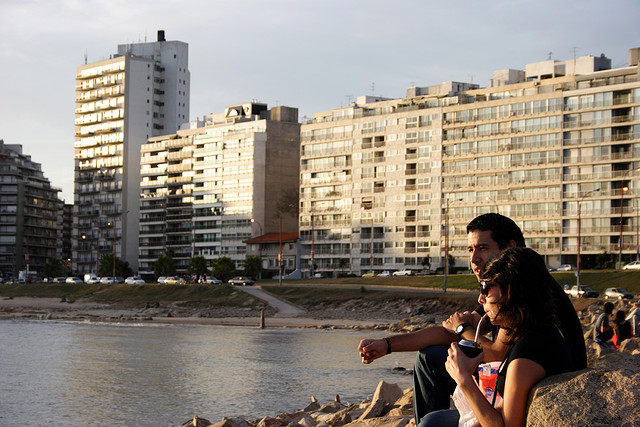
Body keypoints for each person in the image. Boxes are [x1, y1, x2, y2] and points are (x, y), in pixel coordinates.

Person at [357, 213, 587, 425]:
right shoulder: (505, 292)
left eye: (483, 248)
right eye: (470, 250)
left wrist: (462, 332)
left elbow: (496, 352)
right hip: (511, 383)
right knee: (431, 359)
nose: (474, 259)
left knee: (433, 389)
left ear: (510, 249)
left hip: (535, 391)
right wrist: (387, 345)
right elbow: (447, 332)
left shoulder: (530, 297)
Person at [421, 247, 576, 426]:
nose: (481, 299)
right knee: (432, 421)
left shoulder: (526, 357)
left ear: (514, 291)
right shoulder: (537, 331)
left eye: (486, 288)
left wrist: (463, 378)